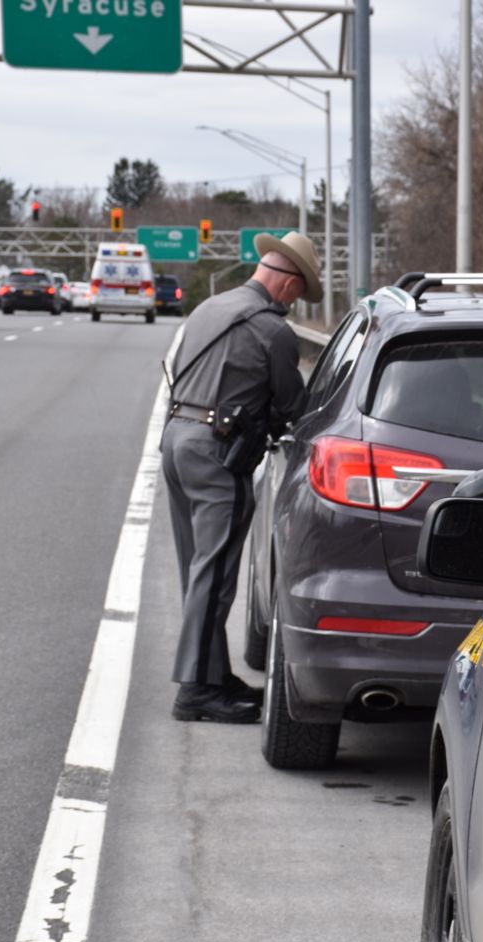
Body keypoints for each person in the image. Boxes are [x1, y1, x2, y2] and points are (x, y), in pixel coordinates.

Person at [160, 231, 320, 723]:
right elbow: (295, 406)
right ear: (287, 282)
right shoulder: (272, 331)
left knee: (198, 571)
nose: (295, 303)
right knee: (214, 577)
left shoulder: (211, 307)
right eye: (298, 292)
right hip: (216, 456)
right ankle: (195, 693)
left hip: (177, 441)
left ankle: (211, 674)